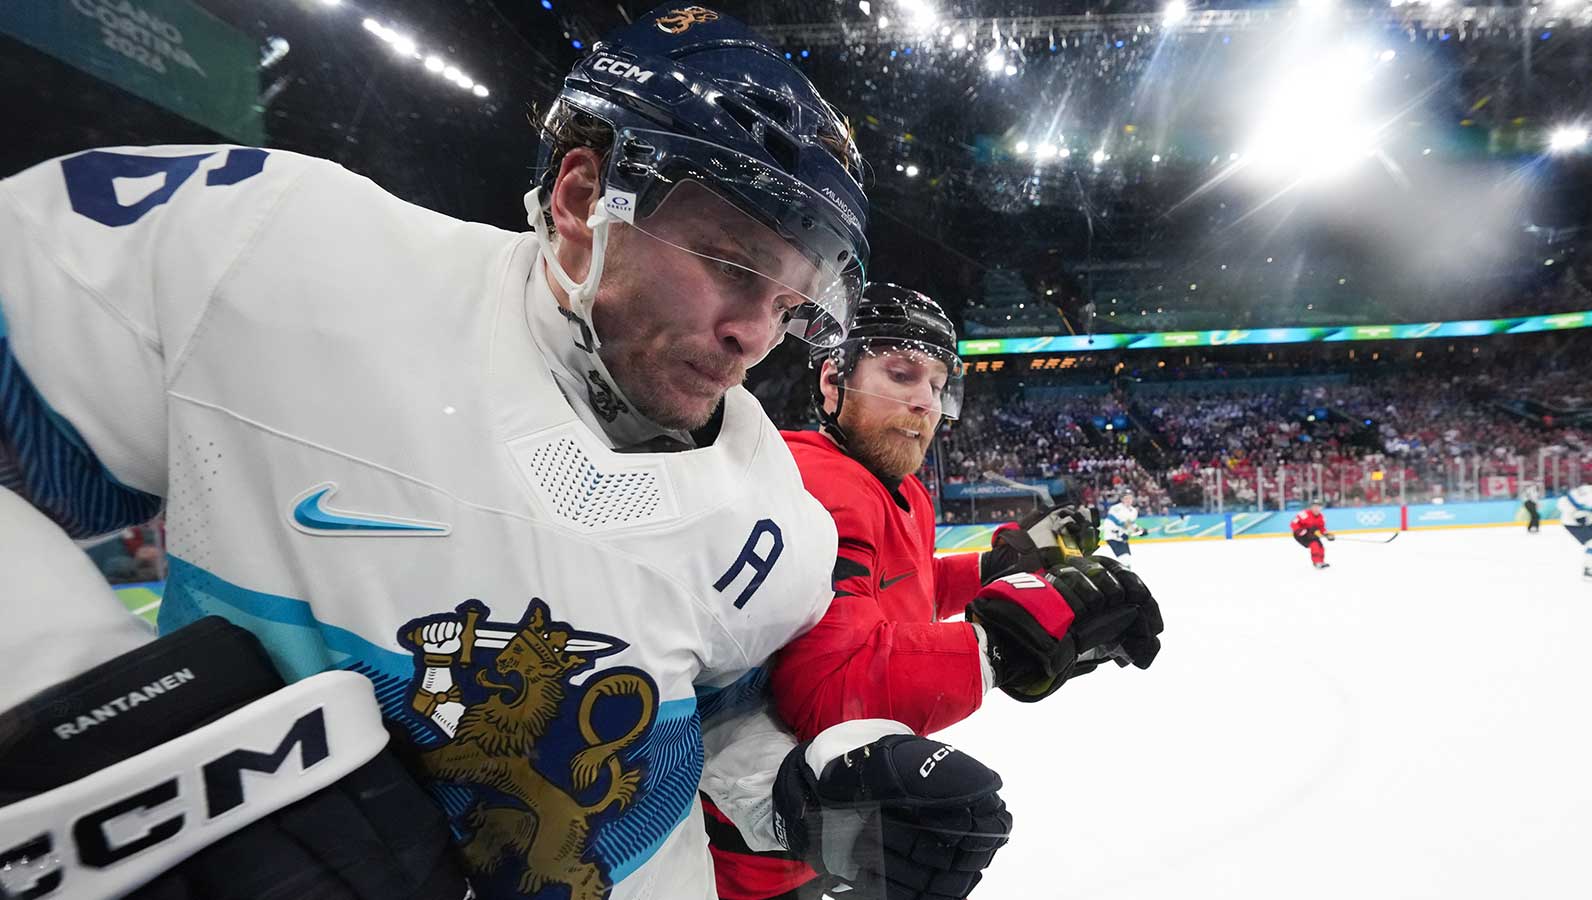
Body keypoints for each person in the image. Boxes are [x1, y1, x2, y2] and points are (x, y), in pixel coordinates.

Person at [0, 7, 1007, 898]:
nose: (755, 336)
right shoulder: (270, 253)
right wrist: (91, 714)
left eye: (788, 302)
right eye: (732, 263)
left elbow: (697, 735)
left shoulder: (772, 518)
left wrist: (809, 793)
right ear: (583, 197)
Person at [701, 284, 1165, 900]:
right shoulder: (821, 485)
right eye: (901, 374)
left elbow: (910, 585)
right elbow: (830, 695)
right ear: (833, 381)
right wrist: (997, 646)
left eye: (940, 385)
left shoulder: (897, 487)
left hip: (824, 832)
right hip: (755, 859)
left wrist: (1000, 566)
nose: (926, 401)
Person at [1555, 484, 1592, 582]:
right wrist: (1575, 511)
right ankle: (1590, 569)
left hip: (1585, 521)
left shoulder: (1588, 489)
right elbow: (1564, 502)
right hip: (1574, 523)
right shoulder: (1591, 492)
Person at [1101, 490, 1148, 568]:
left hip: (1122, 538)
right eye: (1126, 498)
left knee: (1127, 559)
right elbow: (1108, 523)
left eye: (1130, 498)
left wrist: (1140, 530)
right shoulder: (1115, 509)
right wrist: (1120, 533)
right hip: (1112, 537)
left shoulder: (1133, 511)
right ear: (1122, 499)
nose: (1128, 500)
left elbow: (1130, 525)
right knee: (1124, 559)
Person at [1290, 500, 1335, 569]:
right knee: (1314, 545)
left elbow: (1322, 528)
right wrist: (1298, 530)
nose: (1316, 509)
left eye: (1318, 507)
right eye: (1314, 507)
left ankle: (1321, 561)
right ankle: (1316, 562)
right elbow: (1293, 523)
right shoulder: (1304, 514)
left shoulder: (1321, 517)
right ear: (1311, 507)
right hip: (1300, 535)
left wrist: (1327, 535)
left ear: (1321, 508)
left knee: (1320, 546)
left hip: (1310, 534)